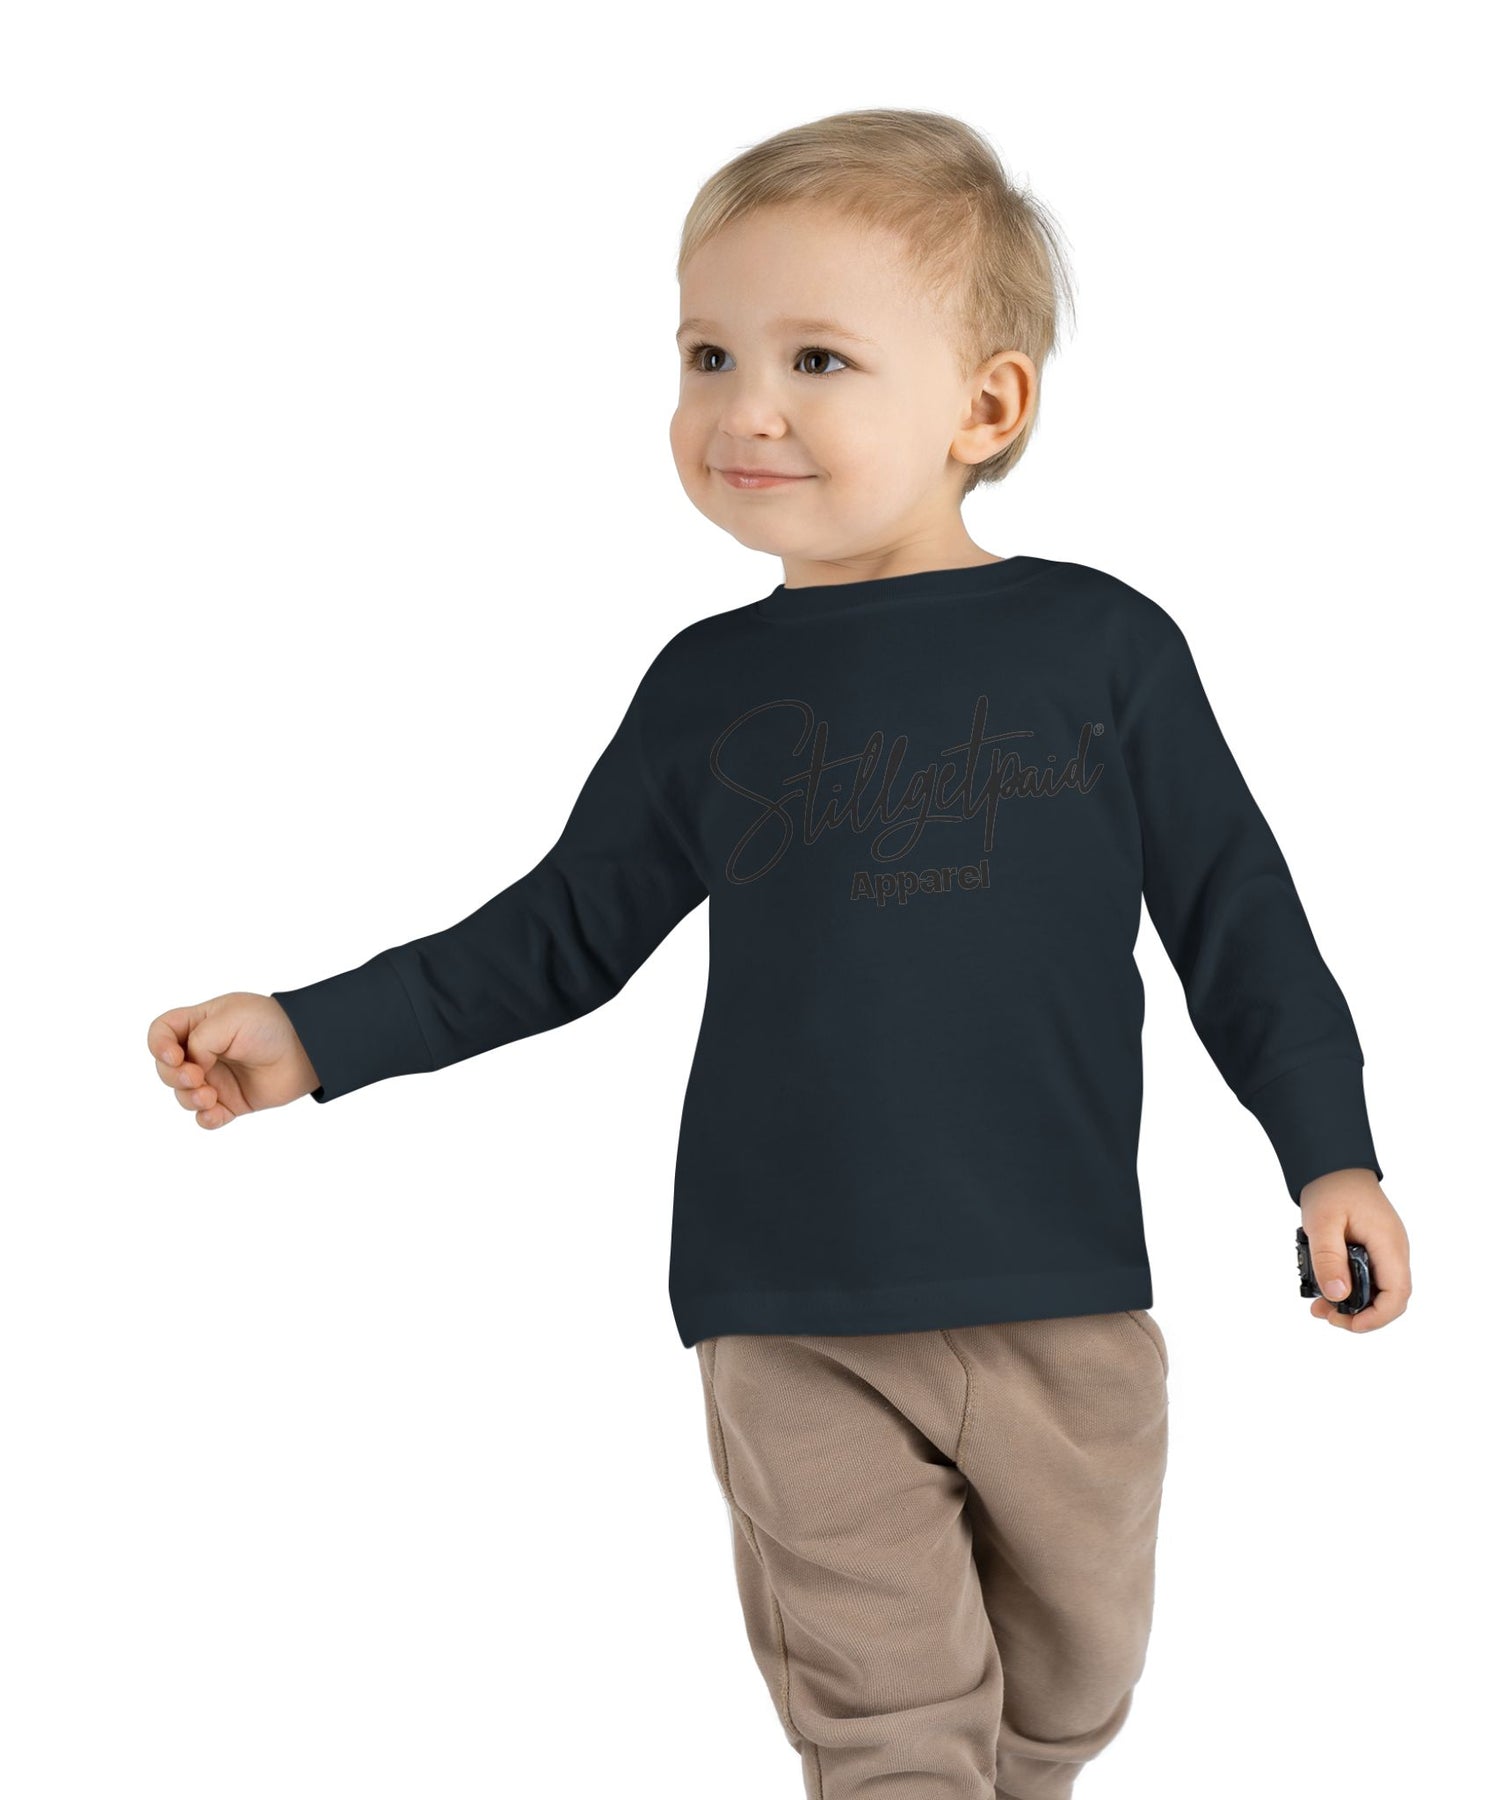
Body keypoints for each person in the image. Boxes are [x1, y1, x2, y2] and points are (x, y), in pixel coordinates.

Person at [147, 107, 1413, 1800]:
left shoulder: (1101, 649)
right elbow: (561, 931)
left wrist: (1329, 1154)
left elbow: (1239, 919)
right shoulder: (710, 689)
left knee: (1072, 1688)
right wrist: (316, 1033)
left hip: (1063, 1296)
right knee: (889, 1725)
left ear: (986, 407)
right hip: (788, 1304)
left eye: (817, 358)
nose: (746, 407)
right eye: (708, 355)